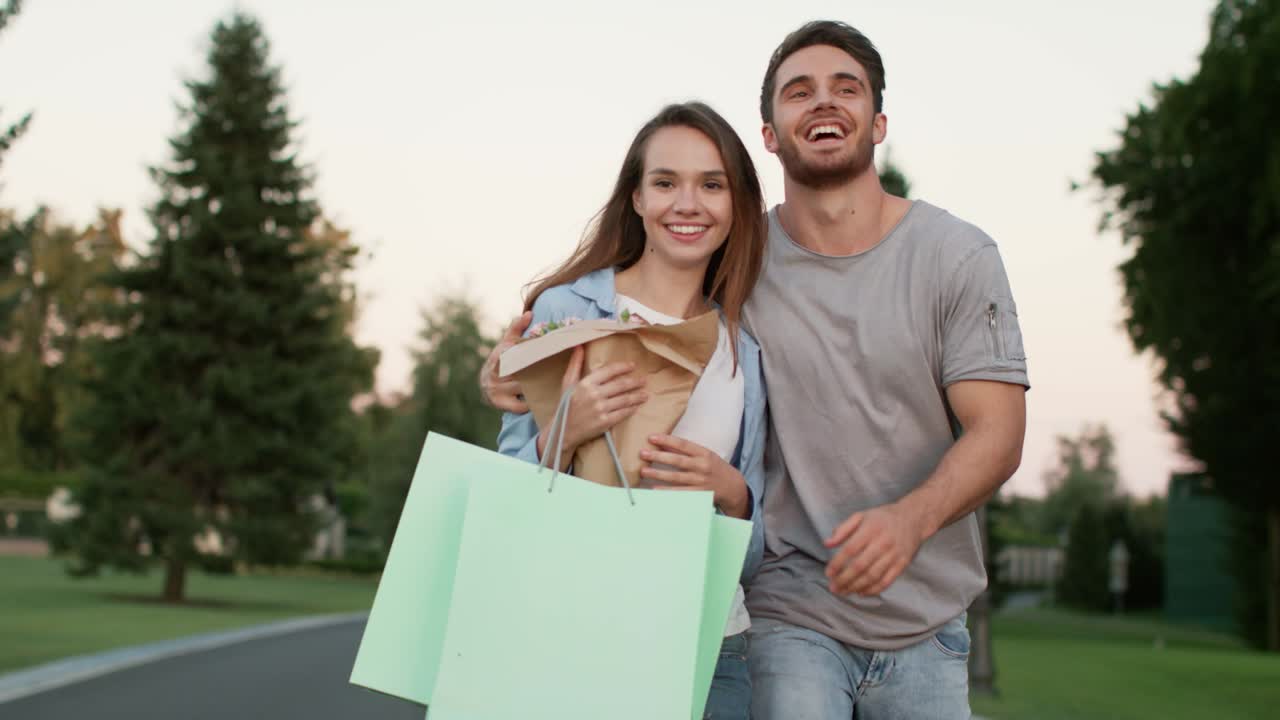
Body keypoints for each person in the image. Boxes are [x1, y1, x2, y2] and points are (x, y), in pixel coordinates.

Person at [484, 20, 1028, 719]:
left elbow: (999, 433)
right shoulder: (702, 273)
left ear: (879, 120)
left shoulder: (943, 259)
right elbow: (509, 472)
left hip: (893, 622)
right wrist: (530, 393)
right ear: (769, 134)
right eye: (799, 92)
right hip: (771, 617)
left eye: (846, 89)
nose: (823, 103)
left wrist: (893, 518)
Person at [494, 101, 769, 720]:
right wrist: (562, 432)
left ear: (736, 205)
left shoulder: (743, 352)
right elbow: (503, 490)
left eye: (712, 184)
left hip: (713, 653)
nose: (688, 203)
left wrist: (734, 493)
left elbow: (755, 553)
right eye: (666, 182)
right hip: (575, 638)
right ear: (638, 198)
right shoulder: (567, 310)